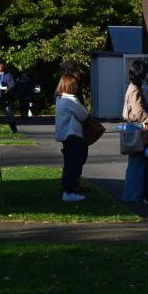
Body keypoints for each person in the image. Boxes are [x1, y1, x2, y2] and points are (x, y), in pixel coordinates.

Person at [122, 60, 148, 203]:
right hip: (138, 128)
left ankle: (137, 194)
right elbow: (139, 113)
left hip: (135, 127)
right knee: (137, 165)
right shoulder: (135, 90)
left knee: (138, 163)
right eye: (144, 72)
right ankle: (132, 196)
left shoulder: (134, 87)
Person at [54, 73, 88, 202]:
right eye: (74, 84)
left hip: (65, 135)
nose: (77, 87)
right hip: (72, 134)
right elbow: (84, 115)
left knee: (70, 162)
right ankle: (69, 191)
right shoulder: (70, 100)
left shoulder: (60, 98)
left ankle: (69, 188)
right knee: (74, 163)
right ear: (69, 86)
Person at [0, 59, 17, 133]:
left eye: (1, 64)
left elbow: (13, 85)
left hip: (6, 97)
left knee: (9, 113)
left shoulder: (8, 75)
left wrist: (7, 89)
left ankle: (13, 129)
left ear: (3, 66)